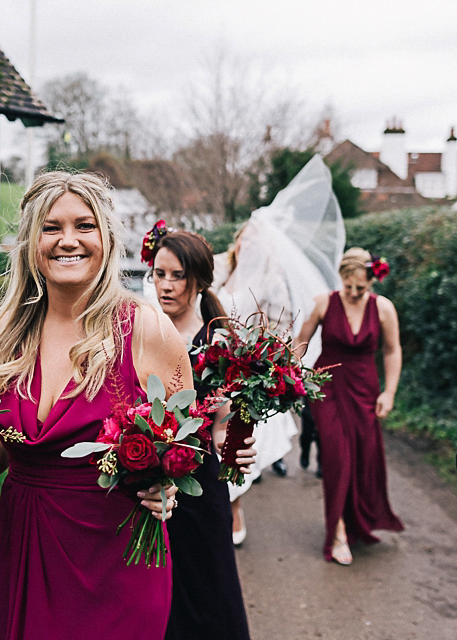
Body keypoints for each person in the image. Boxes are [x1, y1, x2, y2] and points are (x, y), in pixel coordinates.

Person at [0, 171, 186, 640]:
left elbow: (187, 442)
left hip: (119, 557)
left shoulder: (146, 328)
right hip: (28, 548)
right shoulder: (12, 334)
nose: (68, 241)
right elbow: (4, 445)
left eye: (84, 226)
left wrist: (169, 488)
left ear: (105, 236)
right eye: (51, 227)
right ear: (30, 242)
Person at [213, 154, 345, 544]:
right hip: (214, 367)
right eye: (244, 236)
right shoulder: (224, 270)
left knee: (239, 445)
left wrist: (265, 365)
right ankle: (226, 510)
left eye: (255, 237)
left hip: (246, 372)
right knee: (212, 442)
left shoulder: (271, 281)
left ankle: (233, 511)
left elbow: (284, 326)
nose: (248, 241)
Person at [150, 229, 253, 640]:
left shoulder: (218, 340)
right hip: (147, 477)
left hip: (201, 482)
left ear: (200, 280)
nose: (166, 284)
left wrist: (234, 447)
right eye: (159, 273)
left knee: (211, 587)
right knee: (154, 587)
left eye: (177, 275)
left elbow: (228, 417)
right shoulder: (141, 330)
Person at [296, 248, 404, 565]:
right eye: (349, 287)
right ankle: (338, 532)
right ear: (340, 280)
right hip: (327, 388)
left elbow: (392, 351)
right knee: (336, 457)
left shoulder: (384, 309)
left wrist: (390, 392)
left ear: (372, 280)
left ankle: (357, 520)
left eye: (362, 288)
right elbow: (299, 345)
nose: (355, 294)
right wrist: (279, 377)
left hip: (366, 390)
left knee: (362, 458)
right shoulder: (323, 303)